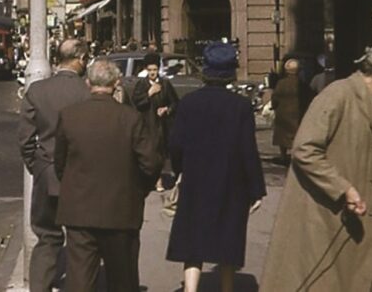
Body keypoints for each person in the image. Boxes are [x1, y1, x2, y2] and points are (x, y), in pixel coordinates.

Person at [261, 46, 372, 291]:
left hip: (354, 218)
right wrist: (344, 188)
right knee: (321, 280)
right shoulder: (339, 94)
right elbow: (305, 149)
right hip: (323, 216)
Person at [54, 58, 162, 292]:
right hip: (121, 210)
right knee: (122, 280)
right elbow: (151, 163)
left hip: (80, 210)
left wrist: (74, 187)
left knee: (80, 280)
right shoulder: (130, 118)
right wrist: (139, 190)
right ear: (116, 83)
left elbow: (60, 163)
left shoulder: (69, 115)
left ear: (88, 83)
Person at [165, 41, 266, 292]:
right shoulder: (241, 106)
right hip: (232, 180)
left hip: (196, 178)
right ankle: (227, 288)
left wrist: (180, 171)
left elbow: (175, 144)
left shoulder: (189, 103)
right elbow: (248, 150)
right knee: (228, 237)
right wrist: (256, 189)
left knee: (193, 236)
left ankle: (190, 289)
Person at [18, 39, 94, 292]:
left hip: (47, 170)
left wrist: (37, 166)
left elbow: (25, 139)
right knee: (80, 239)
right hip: (82, 175)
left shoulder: (37, 90)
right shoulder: (88, 93)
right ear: (81, 59)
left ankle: (39, 287)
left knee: (47, 236)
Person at [132, 52, 179, 192]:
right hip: (147, 124)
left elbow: (175, 102)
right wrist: (149, 93)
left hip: (162, 125)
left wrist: (166, 109)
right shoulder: (141, 85)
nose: (152, 73)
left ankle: (160, 179)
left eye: (155, 70)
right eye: (150, 70)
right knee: (150, 154)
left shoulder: (165, 84)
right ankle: (152, 180)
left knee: (161, 153)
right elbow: (136, 103)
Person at [269, 58, 314, 164]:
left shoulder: (281, 83)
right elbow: (309, 97)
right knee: (296, 135)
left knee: (282, 136)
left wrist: (274, 106)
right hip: (298, 113)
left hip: (283, 113)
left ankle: (283, 156)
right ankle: (295, 154)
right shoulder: (302, 84)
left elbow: (275, 97)